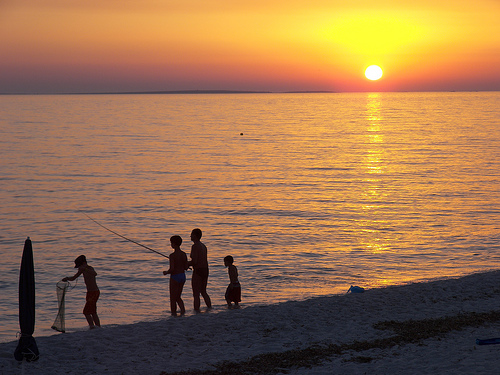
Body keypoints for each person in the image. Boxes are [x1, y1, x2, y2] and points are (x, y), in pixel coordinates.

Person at [62, 255, 101, 329]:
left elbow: (95, 273)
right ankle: (98, 327)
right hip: (89, 293)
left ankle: (92, 327)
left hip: (94, 292)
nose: (79, 268)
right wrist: (67, 278)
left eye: (80, 266)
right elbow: (74, 278)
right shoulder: (81, 270)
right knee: (92, 311)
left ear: (83, 263)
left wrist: (85, 269)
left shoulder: (89, 268)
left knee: (86, 312)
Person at [163, 235, 189, 316]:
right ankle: (183, 311)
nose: (171, 244)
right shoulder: (184, 254)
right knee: (178, 297)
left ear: (174, 244)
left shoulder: (172, 256)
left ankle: (173, 314)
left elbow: (172, 269)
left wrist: (166, 272)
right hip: (182, 276)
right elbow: (185, 267)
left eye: (171, 243)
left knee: (173, 298)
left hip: (175, 277)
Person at [188, 228, 212, 311]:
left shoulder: (195, 246)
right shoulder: (203, 246)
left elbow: (194, 261)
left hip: (198, 271)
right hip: (205, 270)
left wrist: (185, 264)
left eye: (192, 234)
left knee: (196, 294)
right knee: (203, 291)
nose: (190, 235)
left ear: (195, 236)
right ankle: (210, 308)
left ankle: (196, 312)